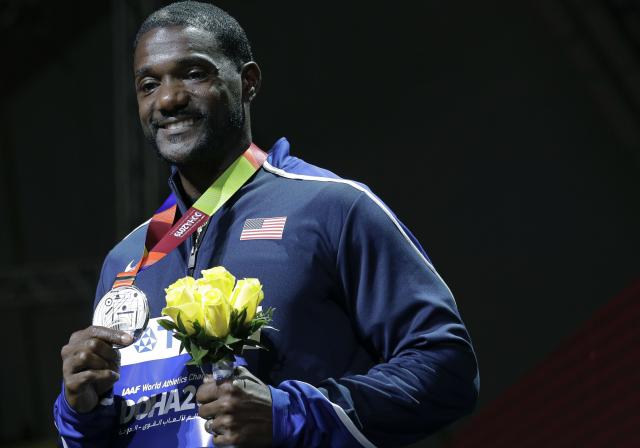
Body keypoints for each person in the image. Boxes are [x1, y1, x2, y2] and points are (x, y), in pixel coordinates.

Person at [53, 2, 479, 447]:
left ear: (248, 82)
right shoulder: (127, 261)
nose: (168, 98)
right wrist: (81, 411)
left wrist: (288, 416)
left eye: (194, 74)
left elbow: (446, 367)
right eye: (148, 84)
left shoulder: (331, 208)